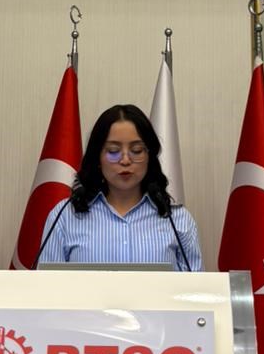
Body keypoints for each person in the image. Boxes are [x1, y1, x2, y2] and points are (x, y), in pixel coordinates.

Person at [36, 103, 203, 271]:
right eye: (113, 151)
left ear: (149, 157)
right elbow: (47, 285)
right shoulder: (64, 217)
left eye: (136, 151)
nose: (125, 160)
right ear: (98, 158)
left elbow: (195, 285)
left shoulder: (177, 220)